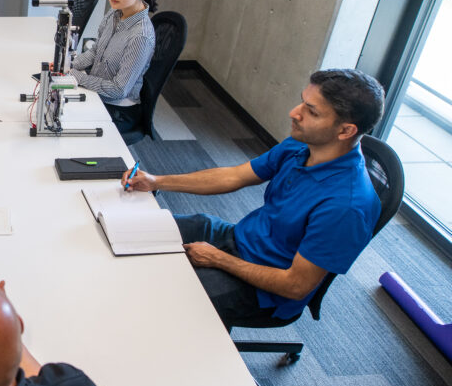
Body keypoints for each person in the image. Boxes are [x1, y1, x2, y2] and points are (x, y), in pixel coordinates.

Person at [123, 69, 385, 329]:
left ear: (345, 131)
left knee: (154, 297)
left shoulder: (346, 207)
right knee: (131, 231)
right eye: (302, 101)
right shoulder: (301, 145)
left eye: (312, 111)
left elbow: (295, 286)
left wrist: (217, 259)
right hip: (239, 238)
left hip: (263, 292)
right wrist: (157, 181)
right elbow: (234, 176)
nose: (295, 113)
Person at [69, 0, 157, 135]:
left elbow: (118, 90)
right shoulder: (114, 13)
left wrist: (75, 77)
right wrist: (68, 67)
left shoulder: (140, 36)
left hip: (119, 110)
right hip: (97, 95)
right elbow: (95, 52)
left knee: (66, 125)